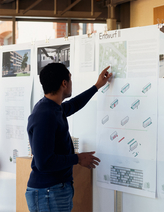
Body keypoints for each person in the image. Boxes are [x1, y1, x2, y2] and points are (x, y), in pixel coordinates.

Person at [25, 63, 112, 212]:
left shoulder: (52, 108)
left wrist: (97, 86)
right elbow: (44, 163)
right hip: (48, 193)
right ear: (64, 83)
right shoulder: (44, 115)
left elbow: (73, 104)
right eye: (70, 79)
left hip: (54, 190)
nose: (71, 83)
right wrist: (77, 158)